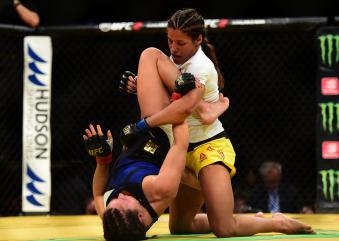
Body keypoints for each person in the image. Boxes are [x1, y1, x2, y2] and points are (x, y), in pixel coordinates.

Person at [120, 8, 315, 237]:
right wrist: (142, 86)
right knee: (180, 228)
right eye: (170, 41)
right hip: (179, 149)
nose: (173, 48)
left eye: (180, 43)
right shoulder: (173, 61)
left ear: (198, 39)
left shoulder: (201, 68)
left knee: (224, 228)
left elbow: (196, 113)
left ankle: (276, 223)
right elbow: (173, 98)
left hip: (207, 146)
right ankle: (213, 191)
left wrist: (143, 125)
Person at [248, 161, 315, 214]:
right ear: (263, 178)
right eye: (269, 182)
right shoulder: (256, 193)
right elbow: (251, 209)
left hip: (286, 221)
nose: (272, 184)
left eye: (274, 181)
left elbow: (300, 208)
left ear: (280, 177)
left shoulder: (290, 191)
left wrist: (305, 210)